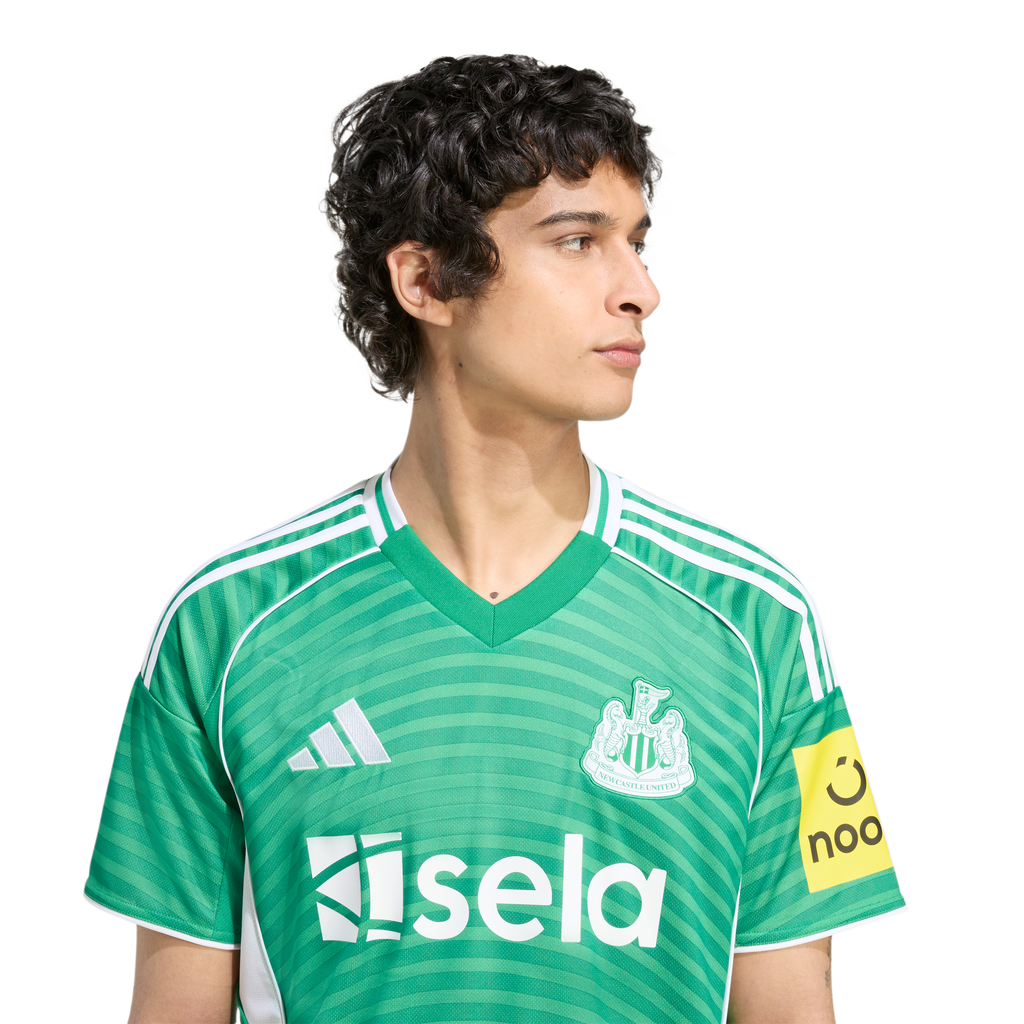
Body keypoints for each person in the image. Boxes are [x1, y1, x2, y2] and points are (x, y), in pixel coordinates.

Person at [81, 50, 909, 1024]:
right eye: (577, 240)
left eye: (638, 242)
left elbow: (792, 1005)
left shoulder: (760, 619)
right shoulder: (227, 621)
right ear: (427, 279)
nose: (640, 291)